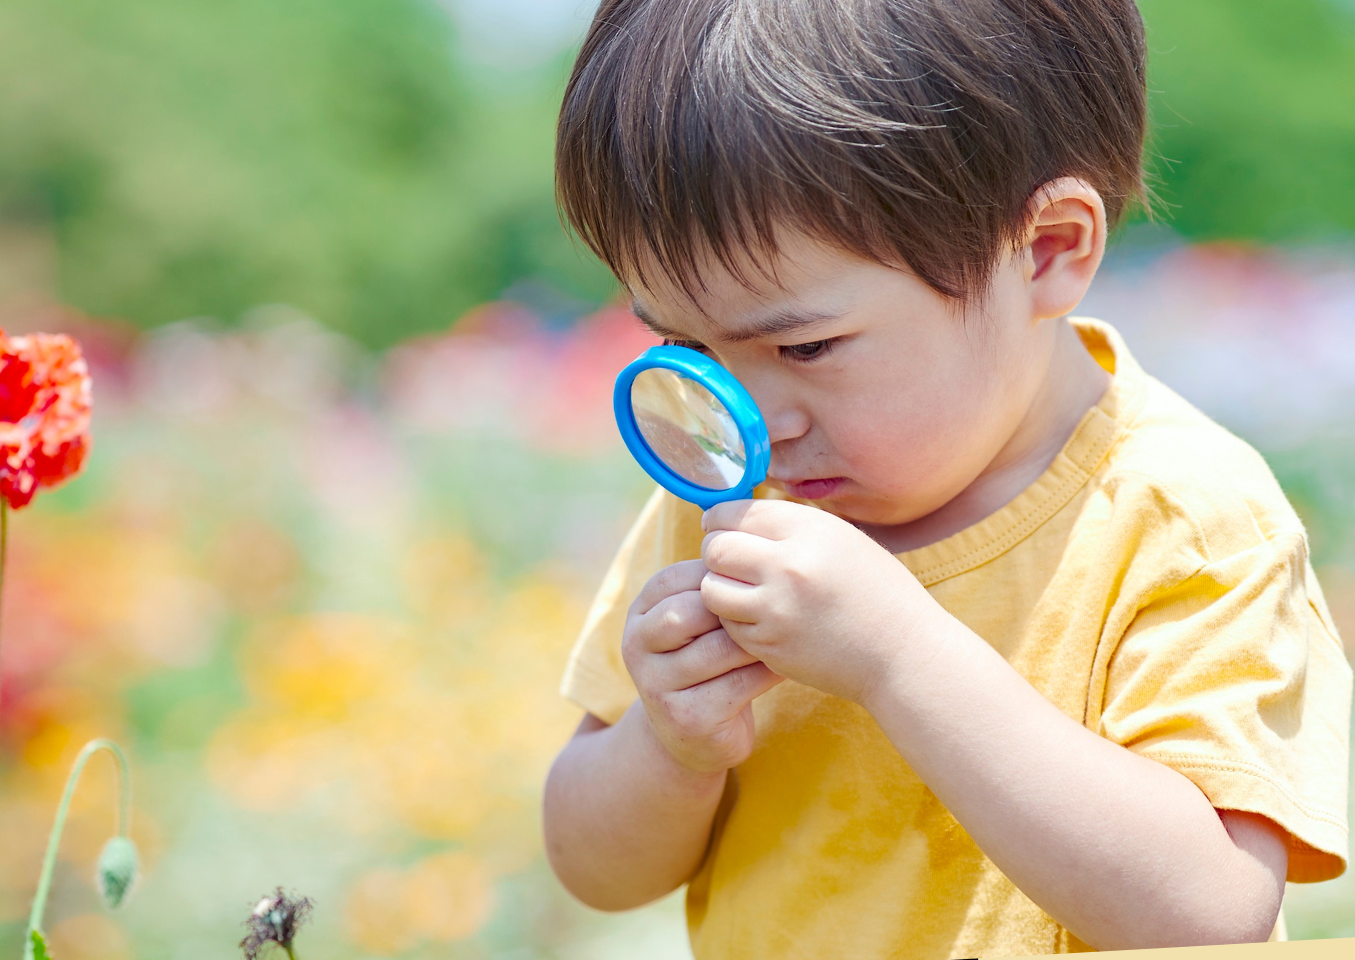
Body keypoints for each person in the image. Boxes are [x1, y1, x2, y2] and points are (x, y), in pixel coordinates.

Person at [540, 2, 1353, 957]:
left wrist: (894, 655)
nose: (753, 422)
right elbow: (595, 868)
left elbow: (1212, 914)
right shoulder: (730, 504)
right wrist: (668, 745)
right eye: (686, 346)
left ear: (1048, 250)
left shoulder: (1179, 514)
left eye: (806, 345)